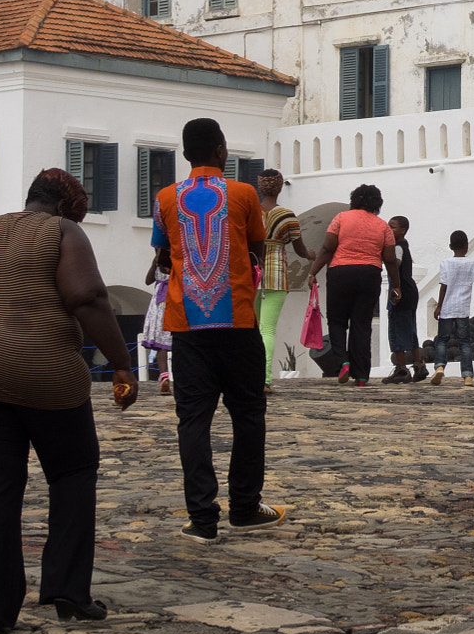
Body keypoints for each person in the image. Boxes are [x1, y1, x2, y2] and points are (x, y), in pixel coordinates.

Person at [0, 168, 138, 634]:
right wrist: (122, 363)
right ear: (65, 206)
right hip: (48, 376)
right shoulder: (64, 232)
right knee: (72, 473)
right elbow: (87, 297)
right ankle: (67, 592)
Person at [150, 118, 285, 541]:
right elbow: (257, 247)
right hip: (238, 320)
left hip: (188, 326)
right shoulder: (244, 194)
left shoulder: (165, 198)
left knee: (193, 422)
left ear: (186, 153)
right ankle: (244, 507)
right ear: (221, 150)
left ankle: (202, 520)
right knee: (248, 416)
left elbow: (163, 256)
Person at [318, 184, 403, 388]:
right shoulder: (382, 226)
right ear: (377, 203)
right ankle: (362, 375)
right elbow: (390, 259)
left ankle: (343, 362)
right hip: (370, 274)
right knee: (361, 325)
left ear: (354, 199)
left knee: (337, 321)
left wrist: (313, 271)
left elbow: (328, 247)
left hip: (340, 273)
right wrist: (396, 286)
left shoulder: (340, 218)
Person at [254, 169, 312, 392]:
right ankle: (265, 380)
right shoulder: (287, 215)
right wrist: (311, 256)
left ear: (260, 186)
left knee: (252, 328)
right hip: (277, 275)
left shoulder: (252, 212)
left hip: (252, 273)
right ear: (279, 188)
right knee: (267, 330)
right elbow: (299, 248)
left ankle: (249, 377)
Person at [429, 229, 474, 386]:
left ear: (450, 246)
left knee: (442, 340)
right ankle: (467, 376)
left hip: (447, 309)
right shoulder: (472, 264)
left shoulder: (445, 264)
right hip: (462, 310)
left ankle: (440, 366)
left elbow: (443, 286)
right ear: (467, 246)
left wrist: (439, 306)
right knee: (465, 342)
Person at [381, 215, 428, 384]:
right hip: (410, 291)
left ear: (403, 231)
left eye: (392, 227)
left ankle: (402, 369)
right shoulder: (402, 246)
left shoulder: (398, 247)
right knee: (410, 329)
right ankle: (419, 365)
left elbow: (394, 263)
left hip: (400, 292)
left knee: (396, 329)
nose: (389, 229)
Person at [141, 251, 173, 396]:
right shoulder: (174, 263)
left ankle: (164, 377)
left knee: (161, 344)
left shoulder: (159, 264)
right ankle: (177, 378)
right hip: (173, 300)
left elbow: (148, 280)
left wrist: (154, 262)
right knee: (178, 341)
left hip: (160, 303)